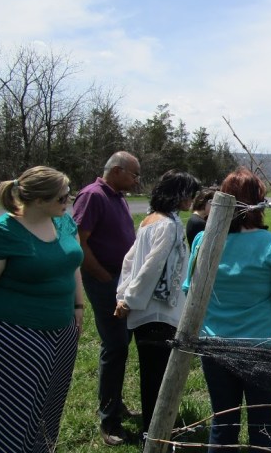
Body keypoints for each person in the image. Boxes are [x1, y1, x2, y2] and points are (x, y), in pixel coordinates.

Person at [183, 167, 271, 452]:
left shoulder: (204, 241)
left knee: (223, 425)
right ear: (259, 201)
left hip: (216, 345)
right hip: (262, 346)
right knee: (263, 427)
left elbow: (191, 290)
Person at [0, 166, 85, 451]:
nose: (67, 201)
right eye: (62, 198)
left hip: (62, 331)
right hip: (17, 335)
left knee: (49, 403)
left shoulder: (63, 223)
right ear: (38, 200)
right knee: (15, 407)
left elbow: (74, 266)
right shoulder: (5, 232)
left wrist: (79, 305)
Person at [114, 170, 200, 436]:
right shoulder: (168, 225)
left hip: (148, 309)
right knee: (157, 377)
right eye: (190, 194)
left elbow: (129, 261)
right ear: (178, 194)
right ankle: (155, 434)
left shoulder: (150, 220)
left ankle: (159, 428)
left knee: (154, 374)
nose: (192, 200)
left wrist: (122, 295)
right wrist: (127, 298)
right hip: (158, 311)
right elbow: (152, 267)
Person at [72, 151, 140, 446]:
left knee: (122, 343)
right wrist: (100, 274)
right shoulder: (92, 195)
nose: (137, 180)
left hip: (120, 280)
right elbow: (79, 239)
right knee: (114, 345)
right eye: (134, 174)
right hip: (105, 280)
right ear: (116, 170)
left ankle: (115, 401)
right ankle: (108, 418)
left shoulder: (118, 196)